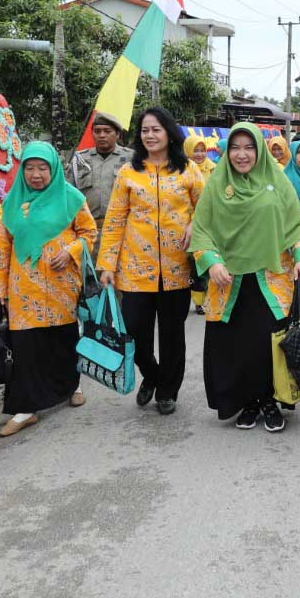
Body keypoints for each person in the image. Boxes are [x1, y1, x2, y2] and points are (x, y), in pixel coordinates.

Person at [190, 123, 300, 433]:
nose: (242, 154)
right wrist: (212, 262)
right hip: (228, 281)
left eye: (249, 147)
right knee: (237, 346)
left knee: (267, 344)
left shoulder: (278, 183)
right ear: (227, 151)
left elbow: (296, 225)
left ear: (259, 150)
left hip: (270, 278)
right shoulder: (217, 186)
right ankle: (247, 401)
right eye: (235, 147)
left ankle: (269, 400)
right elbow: (201, 229)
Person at [98, 107, 204, 416]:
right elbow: (115, 219)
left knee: (172, 335)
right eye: (145, 130)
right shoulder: (128, 173)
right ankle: (152, 375)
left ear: (169, 133)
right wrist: (107, 264)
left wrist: (194, 224)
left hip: (176, 269)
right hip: (134, 268)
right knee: (134, 331)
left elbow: (207, 207)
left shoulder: (187, 171)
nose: (150, 135)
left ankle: (167, 391)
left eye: (156, 129)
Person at [0, 142, 97, 437]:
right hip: (23, 287)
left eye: (42, 168)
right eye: (30, 168)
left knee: (61, 338)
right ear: (22, 170)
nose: (36, 175)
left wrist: (73, 250)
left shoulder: (71, 198)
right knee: (26, 346)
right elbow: (3, 248)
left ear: (53, 169)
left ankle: (71, 385)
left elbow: (89, 233)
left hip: (60, 285)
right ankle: (26, 409)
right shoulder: (13, 202)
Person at [67, 111, 133, 230]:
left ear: (117, 134)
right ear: (92, 134)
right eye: (97, 131)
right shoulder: (80, 160)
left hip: (122, 230)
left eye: (107, 131)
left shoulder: (131, 159)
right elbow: (68, 194)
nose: (102, 135)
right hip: (87, 230)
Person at [184, 133, 217, 315]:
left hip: (209, 223)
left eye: (202, 150)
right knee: (191, 263)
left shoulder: (214, 169)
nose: (199, 154)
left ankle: (202, 301)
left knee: (204, 262)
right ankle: (195, 297)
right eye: (195, 150)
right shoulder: (181, 170)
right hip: (187, 222)